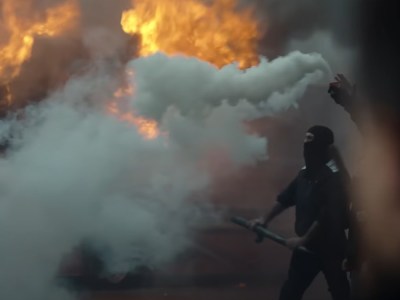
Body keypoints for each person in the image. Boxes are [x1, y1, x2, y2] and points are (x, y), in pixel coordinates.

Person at [252, 125, 350, 300]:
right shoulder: (304, 174)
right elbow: (285, 199)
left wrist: (303, 239)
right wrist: (264, 220)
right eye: (306, 145)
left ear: (325, 149)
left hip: (331, 250)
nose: (308, 151)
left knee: (340, 293)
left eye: (313, 147)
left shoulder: (334, 178)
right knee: (290, 293)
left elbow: (326, 216)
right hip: (306, 250)